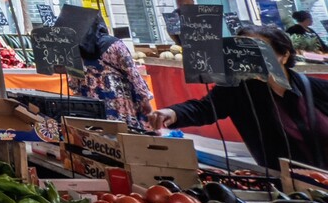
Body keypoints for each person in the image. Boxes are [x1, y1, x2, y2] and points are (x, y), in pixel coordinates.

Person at [148, 26, 328, 169]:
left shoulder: (315, 88)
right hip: (285, 184)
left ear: (284, 55)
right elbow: (204, 108)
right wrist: (171, 112)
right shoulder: (239, 91)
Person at [69, 16, 155, 128]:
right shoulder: (114, 44)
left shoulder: (74, 49)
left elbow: (74, 83)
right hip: (118, 104)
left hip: (90, 105)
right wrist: (145, 99)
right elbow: (133, 74)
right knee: (122, 135)